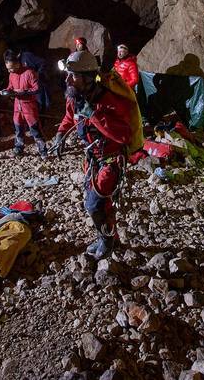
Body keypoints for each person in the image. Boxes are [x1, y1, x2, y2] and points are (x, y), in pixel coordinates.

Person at [54, 50, 135, 259]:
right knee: (103, 203)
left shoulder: (109, 101)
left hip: (111, 160)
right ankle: (111, 237)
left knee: (93, 204)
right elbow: (69, 117)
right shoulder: (75, 97)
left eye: (74, 75)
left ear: (88, 78)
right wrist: (60, 134)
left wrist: (96, 115)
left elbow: (124, 135)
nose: (68, 79)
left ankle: (106, 242)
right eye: (68, 74)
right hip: (92, 161)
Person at [2, 50, 47, 157]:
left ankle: (43, 150)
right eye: (8, 69)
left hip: (29, 106)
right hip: (17, 106)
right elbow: (10, 86)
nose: (10, 71)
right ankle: (19, 147)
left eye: (11, 68)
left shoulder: (29, 73)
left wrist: (24, 92)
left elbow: (37, 88)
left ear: (17, 63)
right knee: (18, 128)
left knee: (34, 128)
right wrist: (7, 91)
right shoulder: (12, 75)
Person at [17, 48, 51, 112]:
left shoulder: (27, 56)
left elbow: (43, 62)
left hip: (38, 84)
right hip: (28, 88)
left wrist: (38, 74)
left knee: (40, 105)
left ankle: (42, 119)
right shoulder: (16, 61)